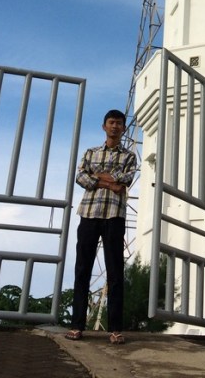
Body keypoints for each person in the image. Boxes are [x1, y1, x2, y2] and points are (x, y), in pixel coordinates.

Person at [65, 108, 137, 343]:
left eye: (119, 123)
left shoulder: (129, 156)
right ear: (104, 126)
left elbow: (123, 180)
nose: (115, 126)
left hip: (114, 217)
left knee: (115, 272)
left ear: (124, 128)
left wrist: (97, 178)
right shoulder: (90, 152)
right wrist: (107, 180)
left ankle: (115, 329)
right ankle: (77, 326)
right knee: (82, 269)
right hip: (89, 214)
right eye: (111, 122)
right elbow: (80, 177)